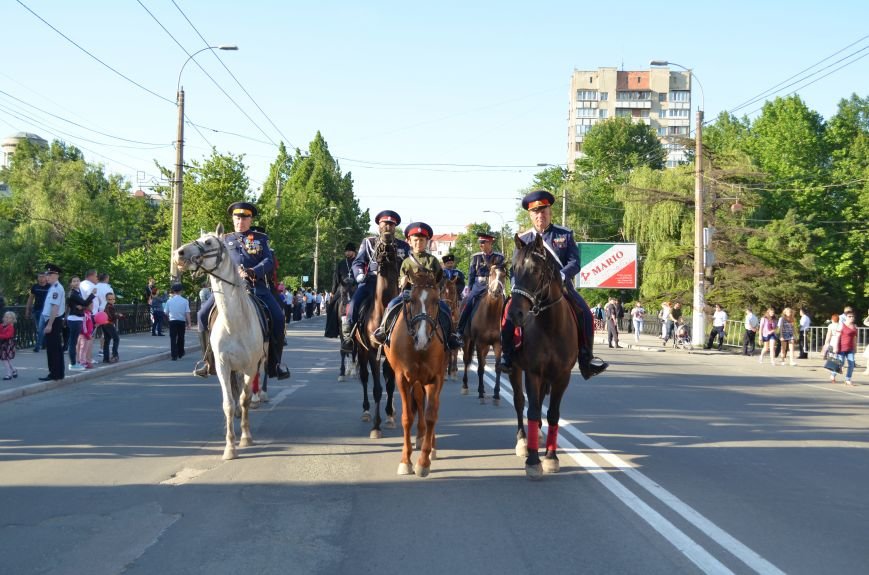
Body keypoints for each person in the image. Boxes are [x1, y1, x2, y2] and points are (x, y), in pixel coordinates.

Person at [499, 190, 607, 380]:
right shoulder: (523, 240)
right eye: (536, 212)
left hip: (562, 288)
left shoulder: (564, 235)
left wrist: (563, 277)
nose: (540, 215)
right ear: (530, 215)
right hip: (530, 291)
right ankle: (508, 356)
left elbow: (575, 262)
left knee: (585, 314)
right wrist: (517, 289)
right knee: (509, 313)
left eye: (544, 211)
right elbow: (515, 269)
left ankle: (586, 358)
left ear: (550, 212)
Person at [194, 201, 290, 380]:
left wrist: (253, 271)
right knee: (201, 315)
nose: (241, 221)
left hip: (256, 287)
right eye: (237, 217)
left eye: (245, 217)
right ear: (232, 219)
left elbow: (269, 261)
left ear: (250, 219)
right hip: (227, 290)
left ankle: (275, 363)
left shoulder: (260, 238)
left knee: (278, 317)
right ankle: (208, 362)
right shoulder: (223, 240)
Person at [373, 222, 460, 349]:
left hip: (429, 295)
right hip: (410, 293)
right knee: (392, 305)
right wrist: (402, 282)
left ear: (427, 242)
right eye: (415, 240)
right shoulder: (406, 261)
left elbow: (441, 279)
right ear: (409, 241)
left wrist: (437, 287)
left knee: (445, 309)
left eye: (421, 240)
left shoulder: (433, 260)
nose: (418, 243)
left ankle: (451, 336)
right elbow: (401, 278)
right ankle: (383, 330)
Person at [343, 210, 410, 341]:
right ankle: (348, 334)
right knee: (354, 302)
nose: (388, 227)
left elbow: (408, 265)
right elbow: (358, 262)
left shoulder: (403, 246)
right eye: (385, 224)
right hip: (371, 280)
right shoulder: (369, 242)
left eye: (391, 224)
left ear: (395, 227)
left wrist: (406, 278)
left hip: (397, 283)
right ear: (379, 225)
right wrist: (360, 275)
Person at [454, 230, 506, 340]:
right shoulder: (476, 257)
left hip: (495, 284)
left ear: (490, 243)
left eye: (483, 242)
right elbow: (471, 274)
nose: (480, 245)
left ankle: (506, 332)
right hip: (479, 285)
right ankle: (460, 330)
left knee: (505, 305)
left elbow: (502, 271)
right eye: (480, 243)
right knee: (468, 303)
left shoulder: (499, 257)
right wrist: (470, 288)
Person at [39, 263, 66, 381]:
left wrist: (49, 324)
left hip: (53, 321)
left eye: (49, 275)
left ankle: (54, 374)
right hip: (53, 320)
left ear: (56, 275)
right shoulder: (54, 287)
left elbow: (55, 308)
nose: (47, 277)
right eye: (47, 274)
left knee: (52, 349)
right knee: (56, 348)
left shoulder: (56, 288)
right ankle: (58, 373)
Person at [326, 242, 357, 341]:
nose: (347, 253)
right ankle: (331, 330)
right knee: (332, 305)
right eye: (346, 251)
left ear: (353, 252)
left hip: (355, 286)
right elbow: (336, 277)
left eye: (349, 251)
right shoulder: (341, 263)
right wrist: (333, 291)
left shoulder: (358, 262)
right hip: (342, 287)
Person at [66, 275, 95, 371]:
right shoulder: (73, 293)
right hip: (74, 319)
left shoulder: (78, 292)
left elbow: (82, 305)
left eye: (78, 281)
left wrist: (81, 306)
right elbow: (85, 303)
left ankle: (75, 362)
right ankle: (73, 363)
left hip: (78, 318)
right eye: (74, 281)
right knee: (73, 342)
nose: (76, 282)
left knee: (74, 341)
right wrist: (92, 294)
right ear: (71, 283)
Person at [165, 283, 191, 361]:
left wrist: (169, 317)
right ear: (181, 291)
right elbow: (187, 312)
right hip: (181, 321)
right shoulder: (185, 301)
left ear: (173, 291)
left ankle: (174, 355)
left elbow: (166, 312)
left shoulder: (169, 301)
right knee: (181, 337)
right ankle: (180, 352)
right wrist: (189, 323)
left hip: (172, 321)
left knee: (173, 338)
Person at [25, 272, 49, 352]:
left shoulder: (50, 286)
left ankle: (37, 346)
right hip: (36, 309)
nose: (41, 278)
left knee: (41, 328)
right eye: (39, 277)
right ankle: (44, 343)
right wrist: (27, 309)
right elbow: (31, 298)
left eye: (43, 277)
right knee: (39, 328)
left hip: (46, 310)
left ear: (46, 278)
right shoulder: (35, 287)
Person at [837, 310, 858, 386]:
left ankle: (848, 379)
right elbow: (838, 337)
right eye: (849, 316)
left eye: (853, 316)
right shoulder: (841, 325)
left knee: (851, 364)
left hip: (850, 349)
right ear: (845, 317)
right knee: (841, 363)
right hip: (842, 348)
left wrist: (855, 348)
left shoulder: (854, 327)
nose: (851, 318)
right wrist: (836, 347)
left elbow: (855, 338)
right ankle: (833, 374)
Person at [102, 292, 121, 363]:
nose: (112, 300)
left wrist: (117, 315)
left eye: (113, 299)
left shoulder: (108, 306)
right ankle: (114, 354)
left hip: (105, 325)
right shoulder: (110, 306)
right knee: (116, 338)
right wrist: (120, 316)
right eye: (110, 299)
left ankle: (106, 358)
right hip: (108, 324)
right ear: (106, 300)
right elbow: (113, 316)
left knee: (107, 341)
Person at [77, 301, 96, 369]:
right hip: (84, 335)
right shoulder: (85, 314)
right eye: (91, 305)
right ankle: (82, 362)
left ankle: (84, 361)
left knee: (85, 348)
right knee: (83, 348)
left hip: (88, 334)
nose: (92, 306)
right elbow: (84, 325)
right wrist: (87, 334)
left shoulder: (89, 314)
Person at [1, 311, 17, 380]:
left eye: (9, 318)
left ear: (12, 320)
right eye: (6, 317)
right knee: (7, 359)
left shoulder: (10, 327)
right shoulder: (1, 325)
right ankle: (13, 370)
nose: (7, 319)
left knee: (5, 359)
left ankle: (8, 374)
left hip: (8, 345)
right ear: (3, 318)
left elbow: (8, 336)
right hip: (2, 344)